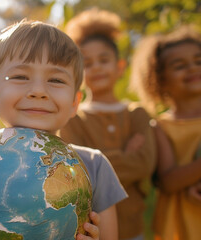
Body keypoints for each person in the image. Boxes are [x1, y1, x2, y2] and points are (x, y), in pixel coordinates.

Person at [0, 20, 128, 240]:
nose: (38, 91)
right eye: (20, 77)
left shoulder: (95, 166)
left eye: (56, 79)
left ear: (75, 102)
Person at [59, 8, 157, 240]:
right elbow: (78, 175)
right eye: (88, 63)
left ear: (120, 66)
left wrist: (98, 162)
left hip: (135, 227)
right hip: (90, 230)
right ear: (78, 73)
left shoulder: (138, 114)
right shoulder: (72, 118)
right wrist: (125, 155)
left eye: (104, 60)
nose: (97, 68)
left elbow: (144, 164)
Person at [130, 26, 201, 240]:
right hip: (185, 225)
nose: (193, 68)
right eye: (179, 66)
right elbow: (168, 181)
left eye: (199, 61)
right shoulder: (160, 127)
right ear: (159, 79)